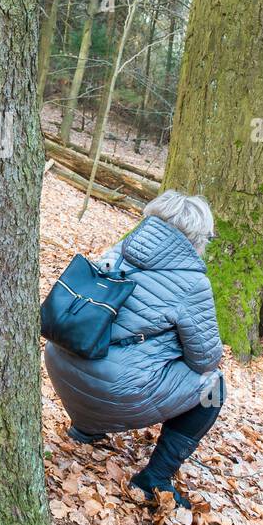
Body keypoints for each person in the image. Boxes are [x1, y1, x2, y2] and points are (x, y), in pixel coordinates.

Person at [45, 190, 224, 508]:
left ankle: (85, 429)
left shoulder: (118, 250)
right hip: (110, 390)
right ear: (197, 237)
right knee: (214, 388)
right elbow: (206, 359)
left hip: (61, 361)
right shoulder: (193, 283)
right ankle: (155, 477)